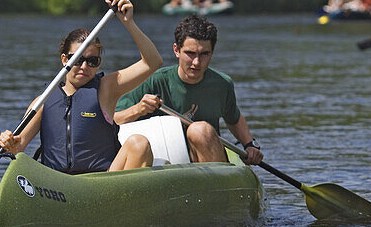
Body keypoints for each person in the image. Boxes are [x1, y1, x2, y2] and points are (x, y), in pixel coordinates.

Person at [0, 0, 162, 174]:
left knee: (139, 144)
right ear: (64, 59)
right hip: (58, 187)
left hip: (102, 182)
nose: (84, 66)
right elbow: (17, 147)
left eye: (92, 61)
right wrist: (7, 141)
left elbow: (152, 62)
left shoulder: (107, 88)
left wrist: (128, 23)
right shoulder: (43, 101)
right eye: (78, 59)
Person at [112, 15, 263, 165]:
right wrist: (138, 110)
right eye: (190, 54)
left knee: (199, 130)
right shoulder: (153, 81)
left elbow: (233, 117)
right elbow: (112, 120)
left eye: (204, 54)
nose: (197, 62)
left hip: (208, 156)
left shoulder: (223, 84)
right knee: (198, 129)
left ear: (212, 53)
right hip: (167, 160)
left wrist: (249, 145)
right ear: (177, 50)